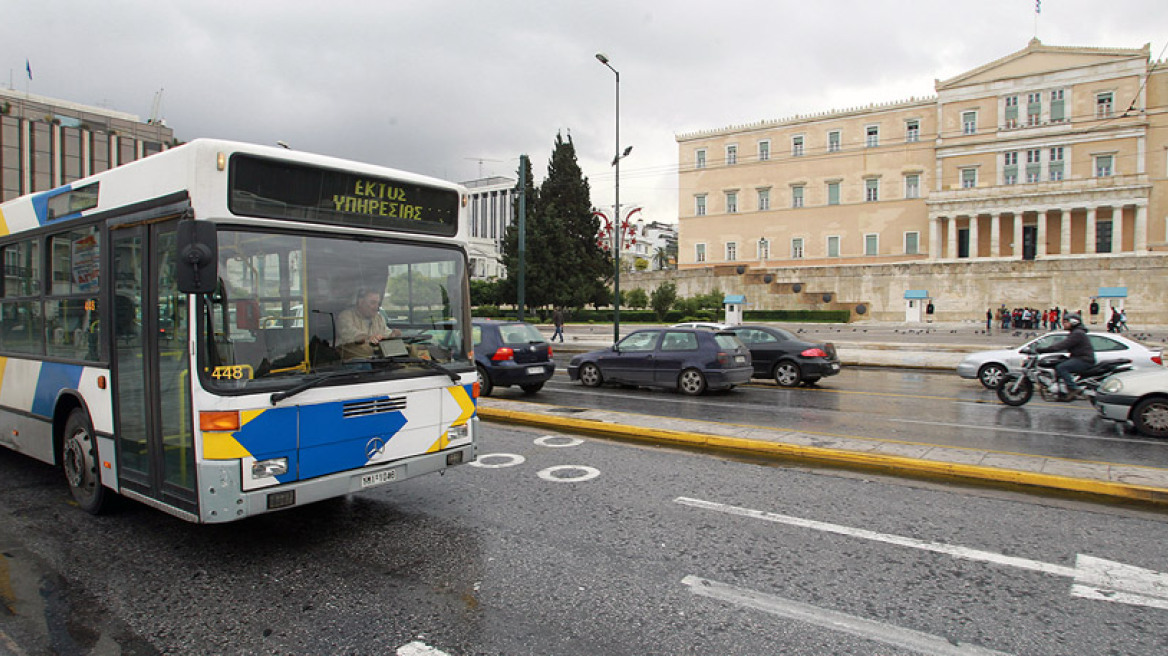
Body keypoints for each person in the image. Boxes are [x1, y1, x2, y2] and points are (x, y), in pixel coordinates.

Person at [1036, 312, 1094, 399]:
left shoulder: (1077, 333)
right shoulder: (1075, 332)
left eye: (1066, 322)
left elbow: (1063, 345)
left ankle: (1073, 389)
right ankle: (1061, 391)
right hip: (1078, 357)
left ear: (1074, 322)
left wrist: (1043, 350)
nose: (1064, 324)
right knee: (1057, 363)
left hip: (1084, 360)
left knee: (1061, 367)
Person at [337, 288, 400, 360]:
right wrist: (368, 338)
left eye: (378, 303)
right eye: (373, 303)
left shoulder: (378, 318)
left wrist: (393, 334)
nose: (376, 307)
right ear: (360, 302)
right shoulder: (345, 316)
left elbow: (385, 333)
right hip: (353, 361)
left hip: (377, 360)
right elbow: (351, 335)